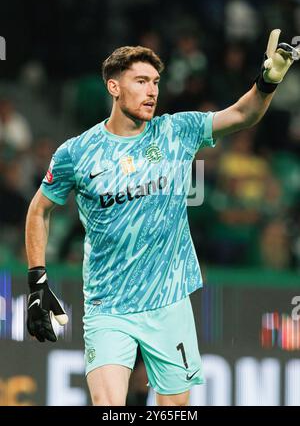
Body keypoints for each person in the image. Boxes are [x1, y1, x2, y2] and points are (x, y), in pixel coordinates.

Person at [25, 30, 298, 406]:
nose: (152, 91)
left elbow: (241, 114)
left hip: (169, 301)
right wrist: (37, 281)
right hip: (108, 305)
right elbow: (39, 209)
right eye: (140, 81)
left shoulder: (176, 131)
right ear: (114, 87)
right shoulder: (77, 152)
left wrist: (269, 79)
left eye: (155, 82)